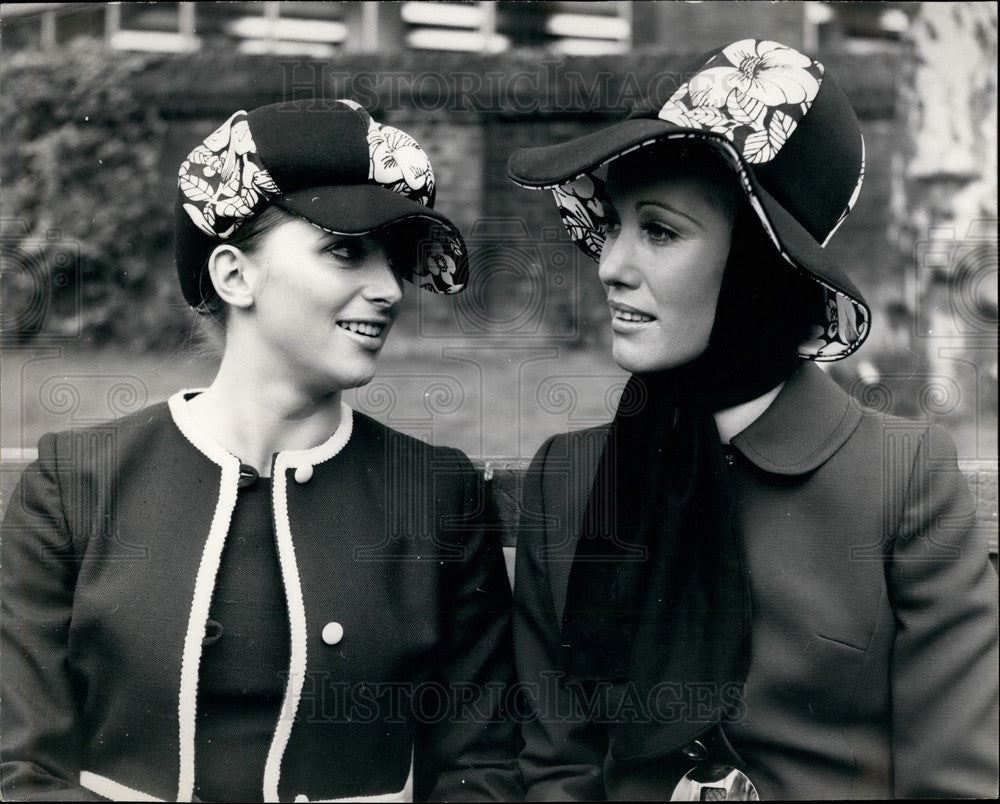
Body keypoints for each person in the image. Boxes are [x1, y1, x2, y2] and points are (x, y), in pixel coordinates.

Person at [506, 39, 999, 800]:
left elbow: (954, 783)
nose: (610, 266)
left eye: (660, 231)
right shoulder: (571, 482)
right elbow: (557, 773)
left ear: (757, 267)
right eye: (613, 224)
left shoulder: (901, 481)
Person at [1, 100, 522, 802]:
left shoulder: (436, 494)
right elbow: (22, 771)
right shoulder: (76, 484)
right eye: (346, 251)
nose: (388, 290)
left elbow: (481, 770)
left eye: (395, 259)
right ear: (234, 275)